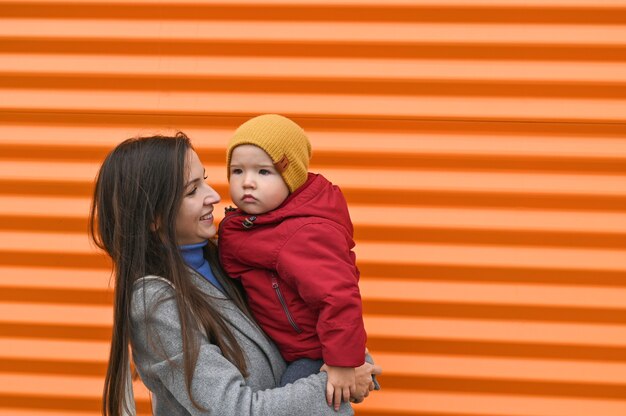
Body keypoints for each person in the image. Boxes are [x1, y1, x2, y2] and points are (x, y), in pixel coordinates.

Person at [89, 133, 381, 415]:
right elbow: (237, 409)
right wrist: (336, 381)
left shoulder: (227, 259)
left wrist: (347, 359)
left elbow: (303, 320)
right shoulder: (155, 305)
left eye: (203, 180)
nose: (214, 196)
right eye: (192, 191)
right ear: (154, 218)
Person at [218, 114, 374, 411]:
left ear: (292, 177)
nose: (247, 182)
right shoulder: (252, 223)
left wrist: (341, 363)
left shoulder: (304, 231)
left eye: (264, 172)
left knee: (306, 402)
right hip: (285, 347)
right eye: (237, 171)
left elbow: (339, 295)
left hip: (315, 354)